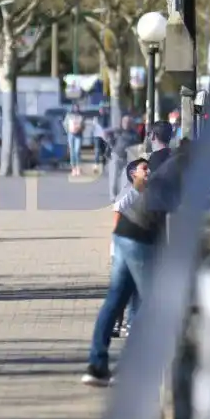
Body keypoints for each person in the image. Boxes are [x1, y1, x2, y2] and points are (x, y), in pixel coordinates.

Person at [82, 158, 159, 387]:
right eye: (145, 169)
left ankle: (96, 365)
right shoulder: (185, 180)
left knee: (115, 300)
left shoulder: (167, 177)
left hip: (126, 237)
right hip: (138, 240)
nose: (149, 172)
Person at [104, 114, 141, 203]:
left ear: (131, 123)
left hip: (128, 159)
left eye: (128, 122)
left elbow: (138, 146)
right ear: (121, 122)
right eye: (124, 121)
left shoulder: (135, 134)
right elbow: (105, 132)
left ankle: (120, 197)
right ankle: (113, 197)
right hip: (116, 157)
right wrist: (110, 144)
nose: (126, 123)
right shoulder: (117, 131)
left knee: (125, 180)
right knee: (113, 179)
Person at [64, 104, 85, 176]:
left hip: (78, 135)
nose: (76, 109)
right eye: (75, 107)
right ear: (73, 108)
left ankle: (78, 168)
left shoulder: (81, 116)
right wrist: (68, 130)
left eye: (77, 107)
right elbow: (65, 124)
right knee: (72, 152)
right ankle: (73, 169)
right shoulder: (69, 115)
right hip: (71, 135)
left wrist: (80, 128)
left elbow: (83, 125)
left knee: (77, 151)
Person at [92, 106, 110, 174]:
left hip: (104, 137)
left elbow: (109, 126)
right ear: (99, 110)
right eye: (101, 110)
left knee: (104, 152)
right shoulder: (96, 117)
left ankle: (103, 166)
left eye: (103, 110)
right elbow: (94, 127)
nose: (102, 111)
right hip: (97, 136)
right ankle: (96, 166)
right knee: (97, 151)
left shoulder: (107, 117)